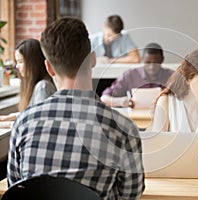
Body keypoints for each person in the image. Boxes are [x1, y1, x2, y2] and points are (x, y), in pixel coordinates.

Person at [7, 17, 145, 199]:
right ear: (93, 59)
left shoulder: (23, 122)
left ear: (49, 68)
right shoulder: (123, 128)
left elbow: (16, 188)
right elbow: (130, 195)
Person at [0, 39, 56, 128]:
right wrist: (9, 117)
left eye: (20, 62)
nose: (17, 66)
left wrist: (7, 124)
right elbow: (32, 113)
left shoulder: (42, 87)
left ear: (33, 63)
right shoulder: (39, 85)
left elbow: (38, 122)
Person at [101, 42, 174, 108]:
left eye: (156, 63)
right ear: (142, 59)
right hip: (135, 118)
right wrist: (121, 101)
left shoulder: (172, 76)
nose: (151, 67)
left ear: (162, 60)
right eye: (148, 62)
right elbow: (104, 98)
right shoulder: (130, 75)